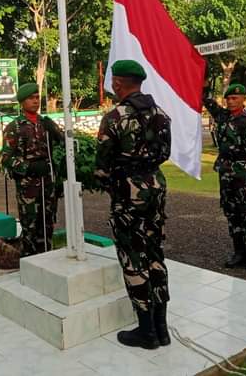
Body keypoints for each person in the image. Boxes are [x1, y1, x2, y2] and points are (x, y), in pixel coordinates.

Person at [95, 60, 171, 350]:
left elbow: (101, 167)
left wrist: (114, 177)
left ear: (117, 83)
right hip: (155, 189)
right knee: (154, 254)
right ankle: (162, 329)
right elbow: (164, 153)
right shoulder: (160, 114)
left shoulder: (115, 118)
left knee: (133, 257)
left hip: (127, 194)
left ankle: (146, 332)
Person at [203, 81, 246, 272]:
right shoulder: (223, 116)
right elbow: (207, 101)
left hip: (243, 172)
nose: (230, 101)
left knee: (245, 213)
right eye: (228, 98)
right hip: (226, 171)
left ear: (244, 99)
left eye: (234, 98)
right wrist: (203, 85)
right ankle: (238, 251)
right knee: (231, 212)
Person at [0, 83, 63, 256]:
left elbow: (63, 144)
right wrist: (29, 168)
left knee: (48, 220)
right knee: (30, 223)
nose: (35, 101)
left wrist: (57, 133)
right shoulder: (15, 127)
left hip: (48, 181)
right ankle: (30, 260)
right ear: (22, 102)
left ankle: (48, 255)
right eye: (31, 98)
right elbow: (6, 158)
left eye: (37, 98)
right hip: (28, 185)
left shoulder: (45, 123)